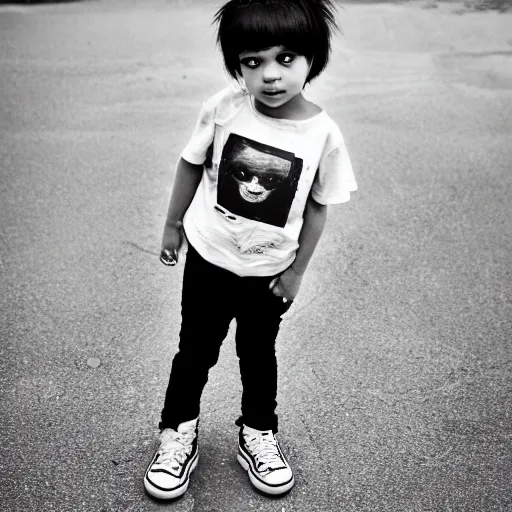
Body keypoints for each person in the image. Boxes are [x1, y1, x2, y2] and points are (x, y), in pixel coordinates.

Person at [144, 0, 357, 500]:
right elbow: (190, 163)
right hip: (209, 260)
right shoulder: (224, 108)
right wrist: (172, 225)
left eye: (286, 59)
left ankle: (258, 432)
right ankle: (177, 432)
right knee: (194, 351)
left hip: (270, 272)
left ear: (313, 58)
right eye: (252, 61)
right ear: (237, 65)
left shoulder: (323, 134)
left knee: (258, 354)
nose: (271, 75)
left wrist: (297, 273)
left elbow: (320, 208)